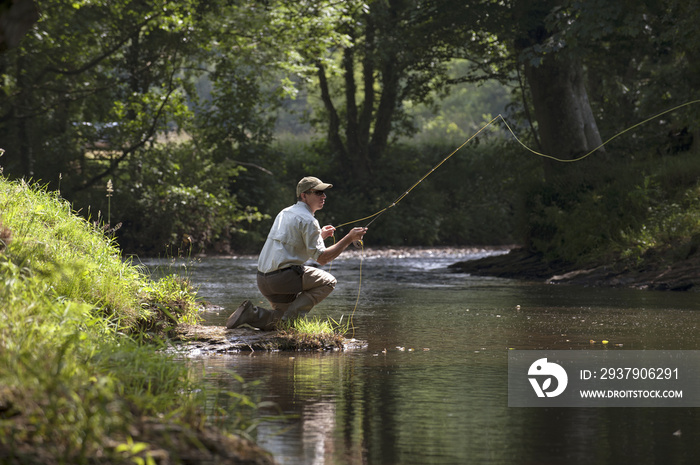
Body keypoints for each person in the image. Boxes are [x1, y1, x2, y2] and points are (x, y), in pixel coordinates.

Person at [226, 176, 367, 330]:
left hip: (263, 280)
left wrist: (319, 235)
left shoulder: (285, 212)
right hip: (282, 279)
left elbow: (291, 244)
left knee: (279, 322)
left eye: (324, 193)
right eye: (318, 192)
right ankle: (290, 320)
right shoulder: (309, 220)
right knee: (329, 281)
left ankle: (251, 314)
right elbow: (322, 259)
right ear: (304, 195)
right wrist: (349, 238)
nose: (324, 196)